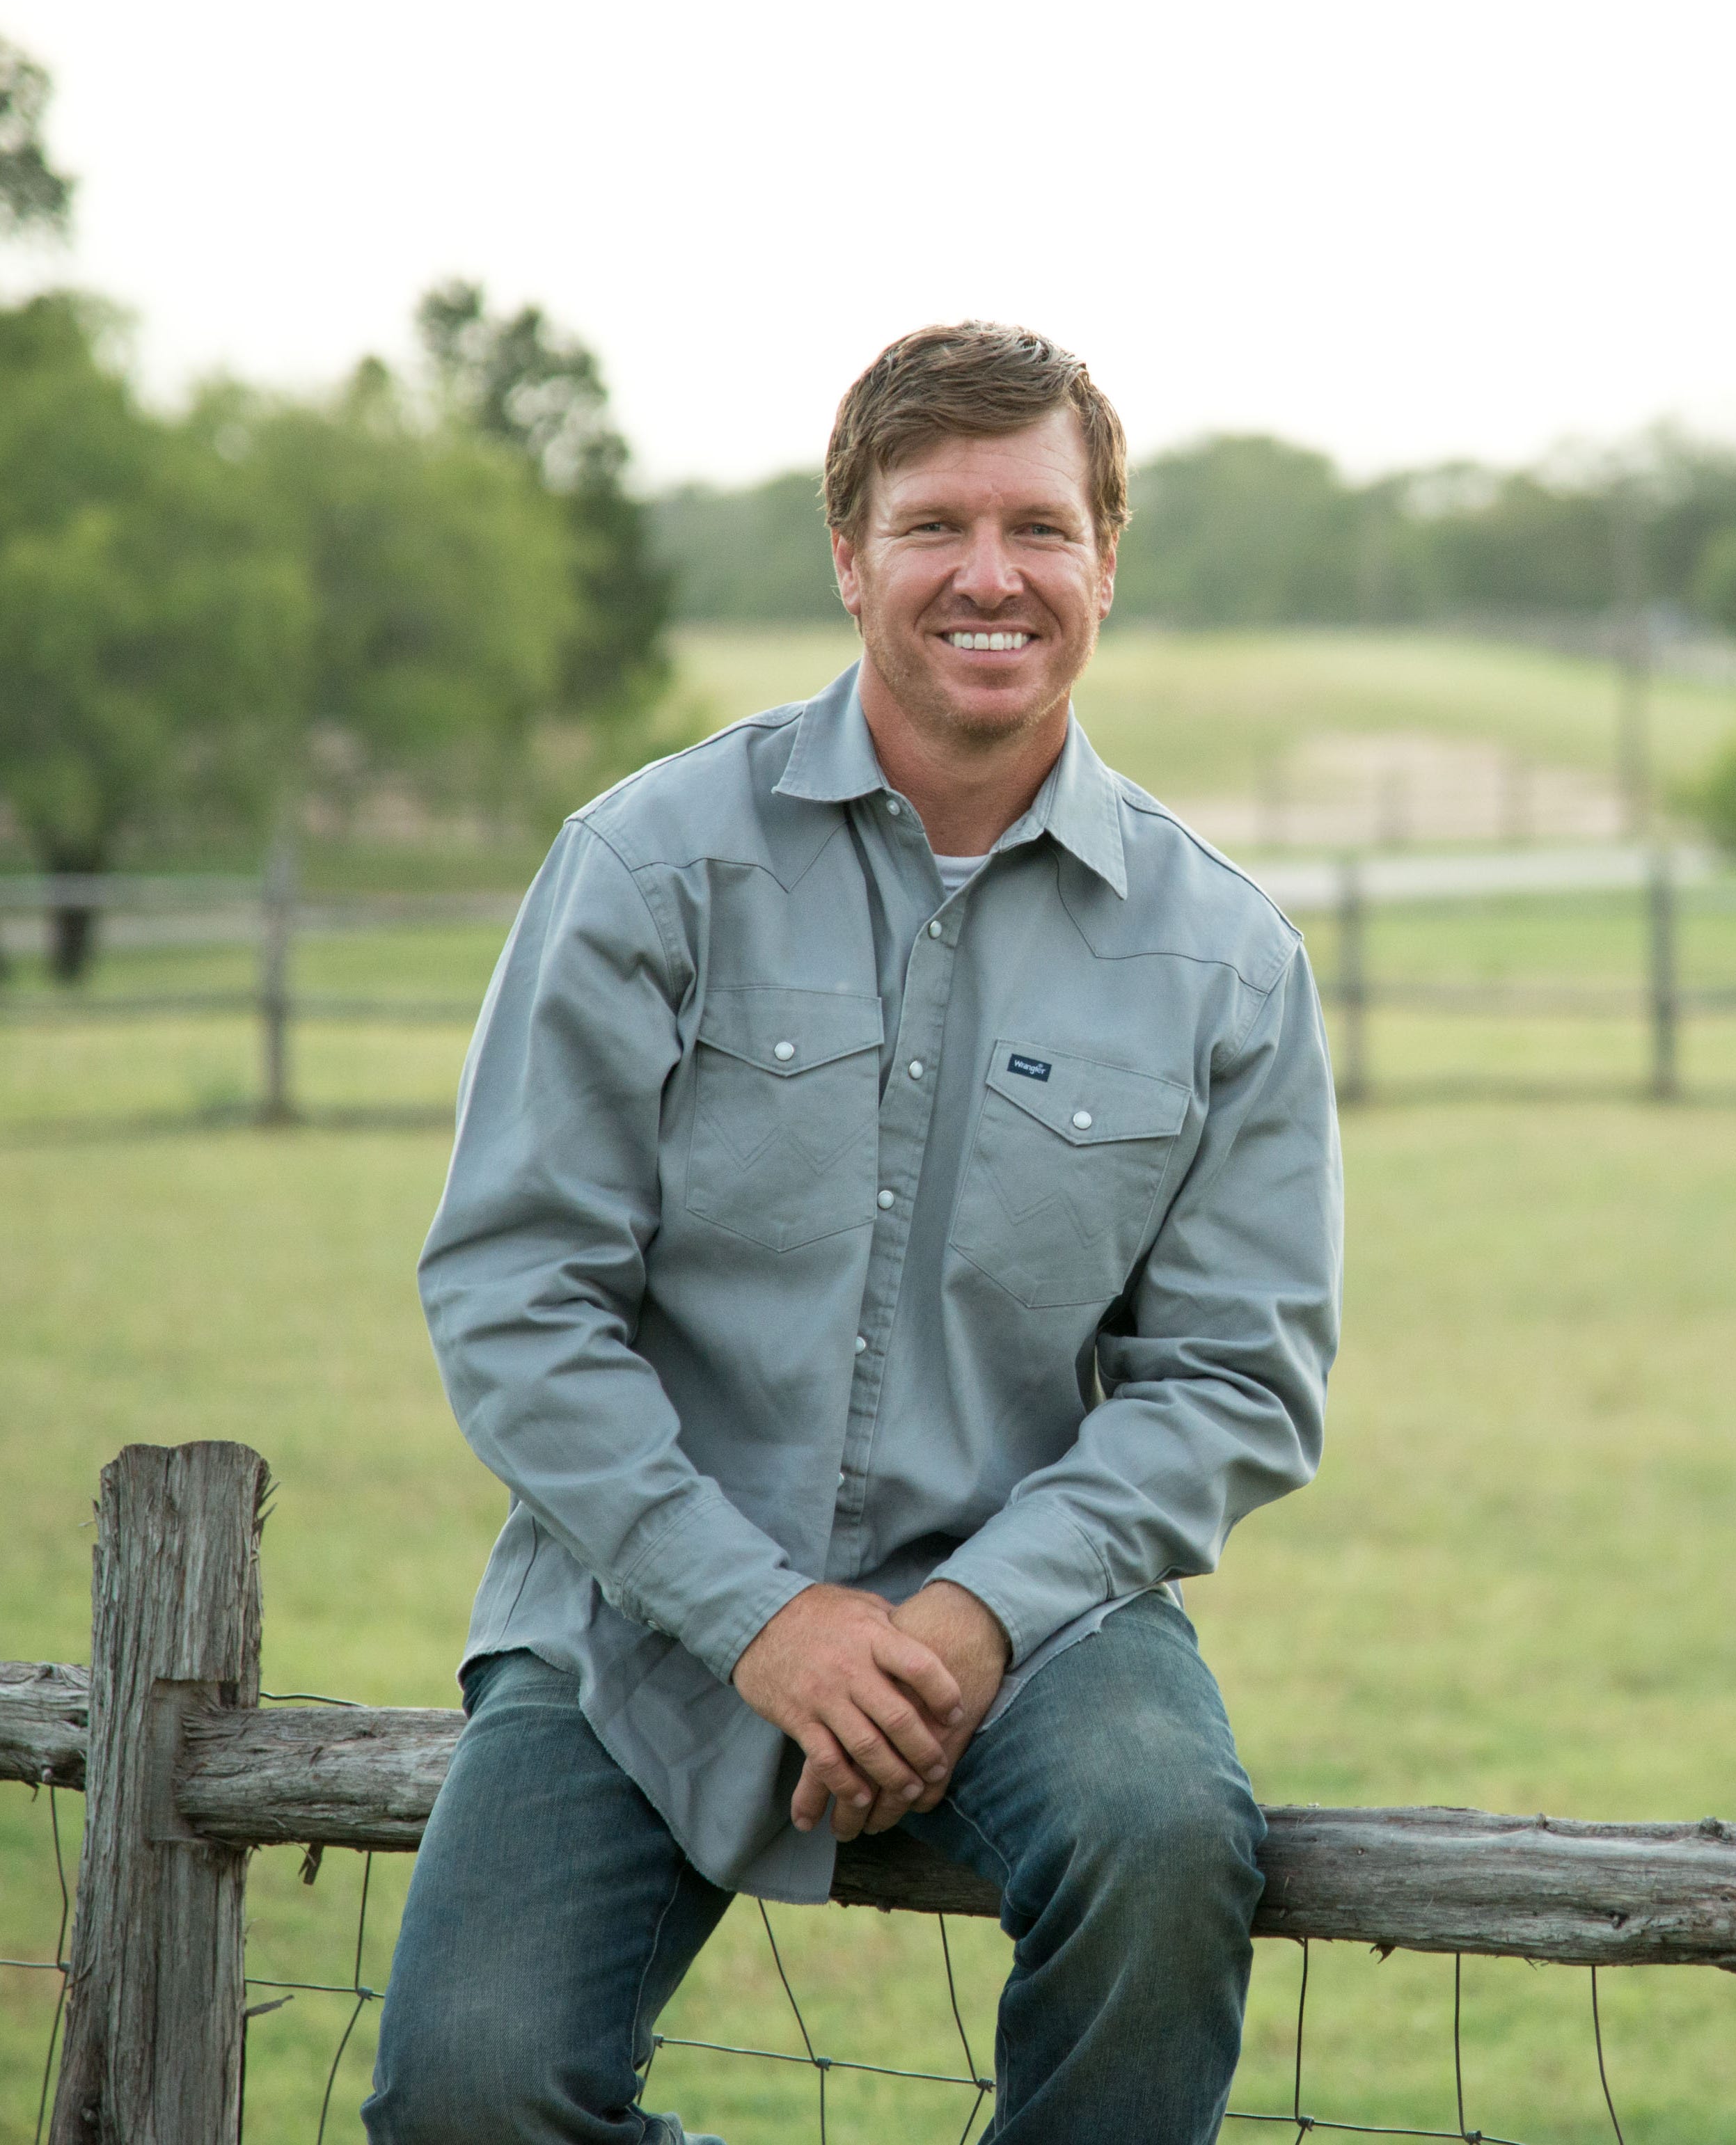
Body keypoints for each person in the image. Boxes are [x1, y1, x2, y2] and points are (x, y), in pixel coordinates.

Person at [367, 322, 1343, 2143]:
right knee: (469, 2098)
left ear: (1107, 561)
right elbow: (516, 1295)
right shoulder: (651, 865)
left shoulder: (1223, 958)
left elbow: (1235, 1380)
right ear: (848, 554)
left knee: (1164, 1842)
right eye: (934, 525)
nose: (992, 574)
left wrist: (976, 1612)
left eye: (1040, 527)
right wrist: (761, 1616)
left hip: (1040, 1612)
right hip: (644, 1604)